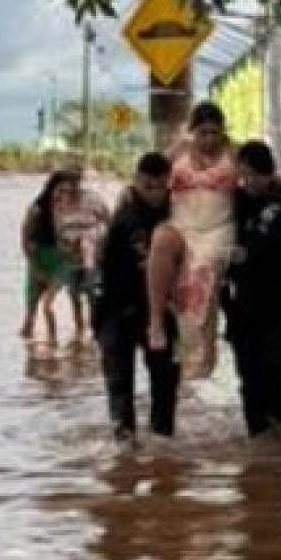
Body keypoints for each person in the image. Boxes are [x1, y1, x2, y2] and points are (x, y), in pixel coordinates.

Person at [145, 101, 239, 378]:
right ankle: (156, 321)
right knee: (161, 240)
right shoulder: (178, 153)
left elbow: (256, 173)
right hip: (182, 225)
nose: (209, 139)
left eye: (214, 133)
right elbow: (151, 176)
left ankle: (202, 355)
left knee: (201, 276)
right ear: (193, 131)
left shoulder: (232, 153)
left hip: (217, 227)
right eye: (203, 133)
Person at [221, 140, 281, 438]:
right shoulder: (241, 204)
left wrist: (237, 256)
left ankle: (278, 447)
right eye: (242, 177)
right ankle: (263, 449)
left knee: (276, 377)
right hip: (245, 314)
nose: (246, 183)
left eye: (251, 176)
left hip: (279, 312)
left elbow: (264, 258)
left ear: (266, 173)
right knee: (250, 381)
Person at [93, 153, 179, 440]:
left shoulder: (178, 213)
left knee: (166, 381)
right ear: (137, 182)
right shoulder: (122, 219)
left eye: (159, 185)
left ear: (168, 182)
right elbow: (101, 266)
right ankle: (124, 446)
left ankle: (163, 449)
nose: (153, 192)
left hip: (161, 311)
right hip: (117, 310)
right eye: (147, 185)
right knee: (119, 382)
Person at [18, 167, 83, 344]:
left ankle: (54, 344)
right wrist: (35, 267)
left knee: (48, 305)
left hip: (61, 262)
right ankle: (33, 352)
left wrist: (75, 251)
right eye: (61, 190)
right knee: (29, 317)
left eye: (69, 191)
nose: (64, 195)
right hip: (38, 259)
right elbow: (25, 241)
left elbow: (74, 239)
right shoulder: (36, 210)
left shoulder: (71, 211)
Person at [55, 169, 111, 344]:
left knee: (92, 291)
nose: (70, 187)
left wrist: (102, 244)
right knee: (73, 293)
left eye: (74, 182)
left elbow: (108, 219)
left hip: (92, 252)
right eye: (67, 183)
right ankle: (79, 330)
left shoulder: (92, 199)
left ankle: (96, 329)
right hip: (70, 253)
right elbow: (55, 227)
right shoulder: (58, 202)